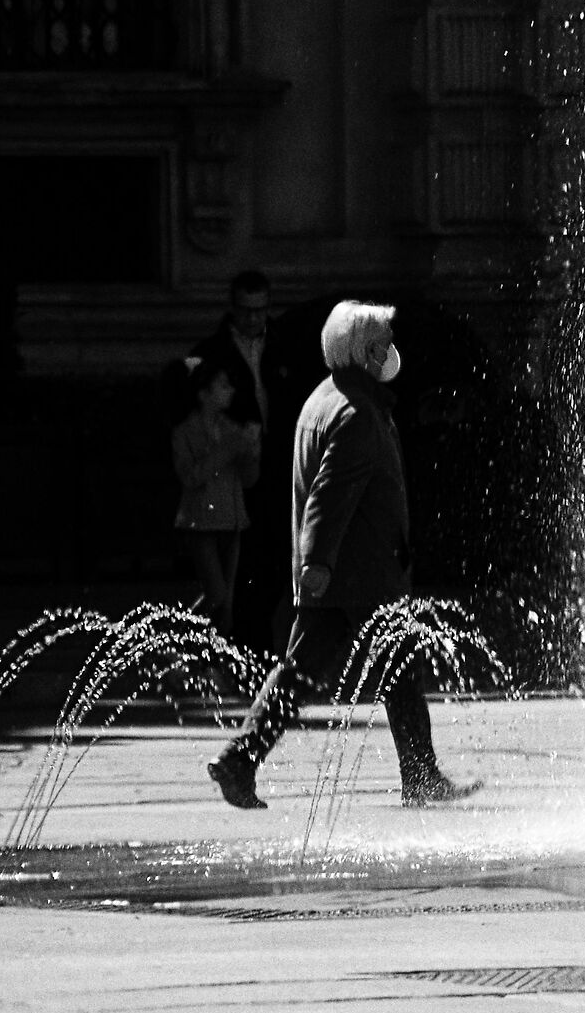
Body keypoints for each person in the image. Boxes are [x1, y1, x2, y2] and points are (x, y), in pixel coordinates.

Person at [207, 299, 478, 812]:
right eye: (379, 345)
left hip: (337, 575)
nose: (389, 352)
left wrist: (315, 570)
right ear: (360, 351)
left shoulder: (324, 400)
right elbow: (329, 499)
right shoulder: (356, 414)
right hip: (360, 574)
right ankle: (420, 778)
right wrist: (318, 565)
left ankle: (241, 760)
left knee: (301, 672)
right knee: (398, 670)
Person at [191, 271, 304, 653]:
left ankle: (254, 647)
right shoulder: (213, 352)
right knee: (239, 566)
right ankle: (239, 648)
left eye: (260, 310)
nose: (254, 319)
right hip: (233, 473)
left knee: (275, 563)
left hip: (277, 468)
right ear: (233, 308)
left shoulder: (286, 345)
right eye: (246, 310)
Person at [170, 355, 261, 633]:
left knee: (227, 601)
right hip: (201, 524)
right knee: (217, 595)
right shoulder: (185, 432)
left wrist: (251, 450)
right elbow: (191, 476)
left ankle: (210, 647)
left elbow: (249, 479)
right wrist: (228, 450)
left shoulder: (230, 429)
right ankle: (183, 631)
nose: (230, 391)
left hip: (232, 521)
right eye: (222, 386)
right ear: (203, 394)